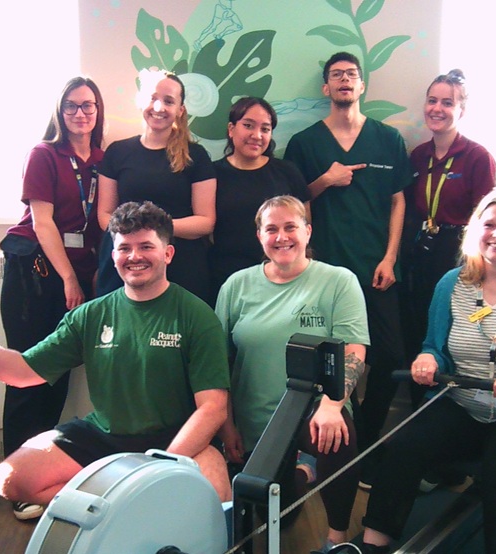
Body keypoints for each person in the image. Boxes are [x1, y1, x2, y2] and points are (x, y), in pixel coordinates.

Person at [0, 201, 232, 510]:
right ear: (113, 256)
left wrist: (161, 466)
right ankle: (119, 506)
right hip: (103, 435)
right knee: (9, 478)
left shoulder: (197, 315)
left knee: (213, 498)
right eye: (124, 248)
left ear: (167, 253)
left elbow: (212, 408)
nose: (134, 256)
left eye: (146, 246)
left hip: (176, 437)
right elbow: (20, 372)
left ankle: (127, 502)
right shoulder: (90, 315)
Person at [352, 193, 496, 554]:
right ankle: (372, 545)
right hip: (462, 406)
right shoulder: (451, 284)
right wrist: (428, 361)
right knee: (403, 448)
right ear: (475, 231)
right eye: (489, 225)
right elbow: (434, 347)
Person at [283, 51, 412, 489]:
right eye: (336, 75)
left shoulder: (387, 139)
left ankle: (367, 443)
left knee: (390, 357)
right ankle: (321, 449)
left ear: (362, 85)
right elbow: (293, 205)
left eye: (351, 74)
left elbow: (398, 200)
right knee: (325, 362)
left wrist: (390, 257)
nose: (344, 80)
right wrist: (326, 179)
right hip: (323, 273)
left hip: (376, 270)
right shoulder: (304, 143)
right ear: (326, 87)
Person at [215, 195, 369, 554]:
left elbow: (354, 350)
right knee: (279, 518)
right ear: (259, 236)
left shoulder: (338, 281)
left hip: (314, 410)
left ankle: (337, 538)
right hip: (257, 415)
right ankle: (302, 471)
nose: (281, 237)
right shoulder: (236, 285)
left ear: (307, 232)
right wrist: (226, 425)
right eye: (271, 229)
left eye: (290, 227)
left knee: (338, 437)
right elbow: (218, 361)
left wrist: (333, 404)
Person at [0, 76, 105, 520]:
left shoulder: (103, 159)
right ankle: (17, 483)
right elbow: (43, 223)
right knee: (28, 376)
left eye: (88, 105)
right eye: (71, 106)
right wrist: (69, 279)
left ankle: (39, 471)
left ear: (98, 111)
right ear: (59, 112)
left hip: (78, 276)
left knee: (57, 375)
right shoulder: (44, 154)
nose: (80, 113)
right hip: (36, 276)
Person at [401, 70, 496, 492]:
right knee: (419, 347)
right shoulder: (418, 155)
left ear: (462, 109)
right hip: (419, 255)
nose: (437, 109)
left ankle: (453, 460)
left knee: (452, 347)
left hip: (459, 258)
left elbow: (487, 221)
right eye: (432, 101)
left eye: (447, 102)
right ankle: (423, 452)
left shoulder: (476, 156)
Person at [95, 70, 216, 304]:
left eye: (169, 101)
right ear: (141, 101)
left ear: (180, 110)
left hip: (181, 265)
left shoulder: (197, 156)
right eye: (152, 98)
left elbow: (205, 221)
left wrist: (153, 232)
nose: (159, 107)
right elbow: (104, 215)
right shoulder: (116, 152)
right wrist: (137, 239)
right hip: (124, 264)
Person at [209, 97, 309, 304]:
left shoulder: (287, 171)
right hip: (226, 278)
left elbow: (304, 224)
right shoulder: (212, 174)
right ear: (231, 129)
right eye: (248, 126)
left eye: (265, 129)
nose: (257, 135)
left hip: (283, 278)